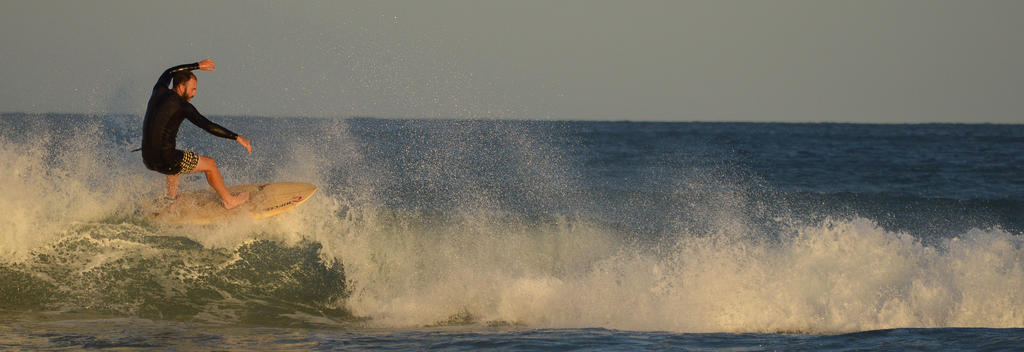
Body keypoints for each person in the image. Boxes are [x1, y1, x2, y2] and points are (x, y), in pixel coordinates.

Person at [140, 59, 252, 209]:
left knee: (173, 159)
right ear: (180, 86)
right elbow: (208, 126)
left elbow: (169, 71)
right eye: (192, 89)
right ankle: (229, 201)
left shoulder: (158, 90)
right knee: (210, 164)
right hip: (166, 160)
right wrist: (237, 137)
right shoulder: (183, 106)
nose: (194, 94)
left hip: (148, 158)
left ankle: (171, 201)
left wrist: (197, 66)